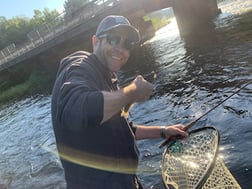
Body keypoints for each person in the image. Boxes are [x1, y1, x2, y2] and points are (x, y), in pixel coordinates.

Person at [51, 15, 188, 189]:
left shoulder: (107, 78)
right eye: (113, 39)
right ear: (95, 41)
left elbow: (124, 129)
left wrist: (163, 131)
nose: (120, 49)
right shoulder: (80, 67)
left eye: (127, 44)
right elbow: (75, 109)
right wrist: (132, 91)